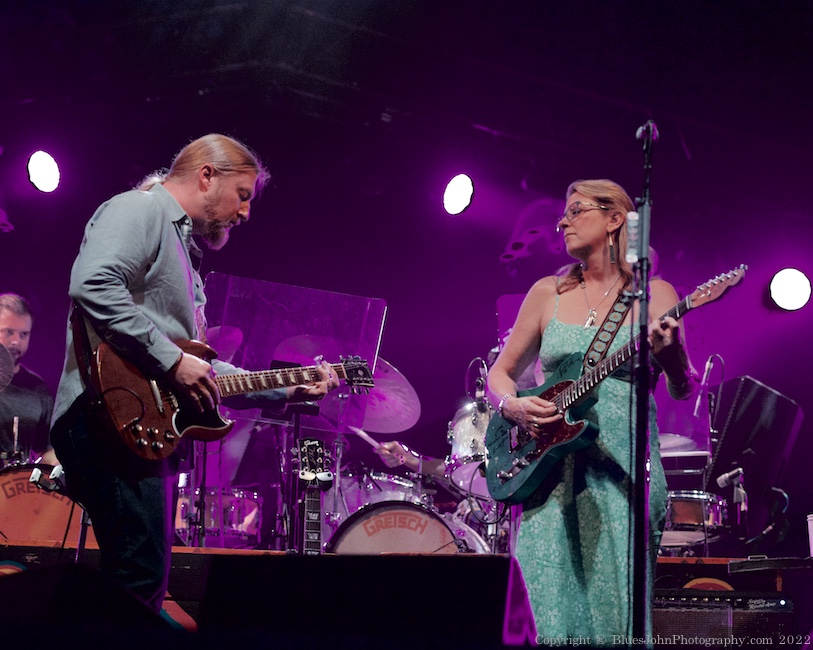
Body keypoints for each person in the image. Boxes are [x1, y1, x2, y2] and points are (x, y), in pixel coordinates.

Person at [49, 134, 340, 614]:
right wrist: (171, 360)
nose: (245, 212)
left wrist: (287, 388)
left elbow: (199, 368)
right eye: (242, 195)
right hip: (107, 419)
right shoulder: (140, 209)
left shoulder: (186, 257)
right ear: (207, 175)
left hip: (140, 427)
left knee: (141, 578)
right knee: (138, 576)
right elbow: (93, 284)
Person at [487, 179, 696, 642]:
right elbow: (500, 373)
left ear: (615, 218)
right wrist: (512, 405)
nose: (563, 222)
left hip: (623, 471)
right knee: (546, 613)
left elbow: (683, 389)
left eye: (576, 210)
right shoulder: (547, 292)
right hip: (545, 470)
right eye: (564, 213)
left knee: (615, 615)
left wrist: (673, 357)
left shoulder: (654, 294)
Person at [0, 292, 57, 466]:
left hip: (21, 482)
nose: (16, 341)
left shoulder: (38, 388)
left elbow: (47, 451)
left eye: (24, 334)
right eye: (9, 332)